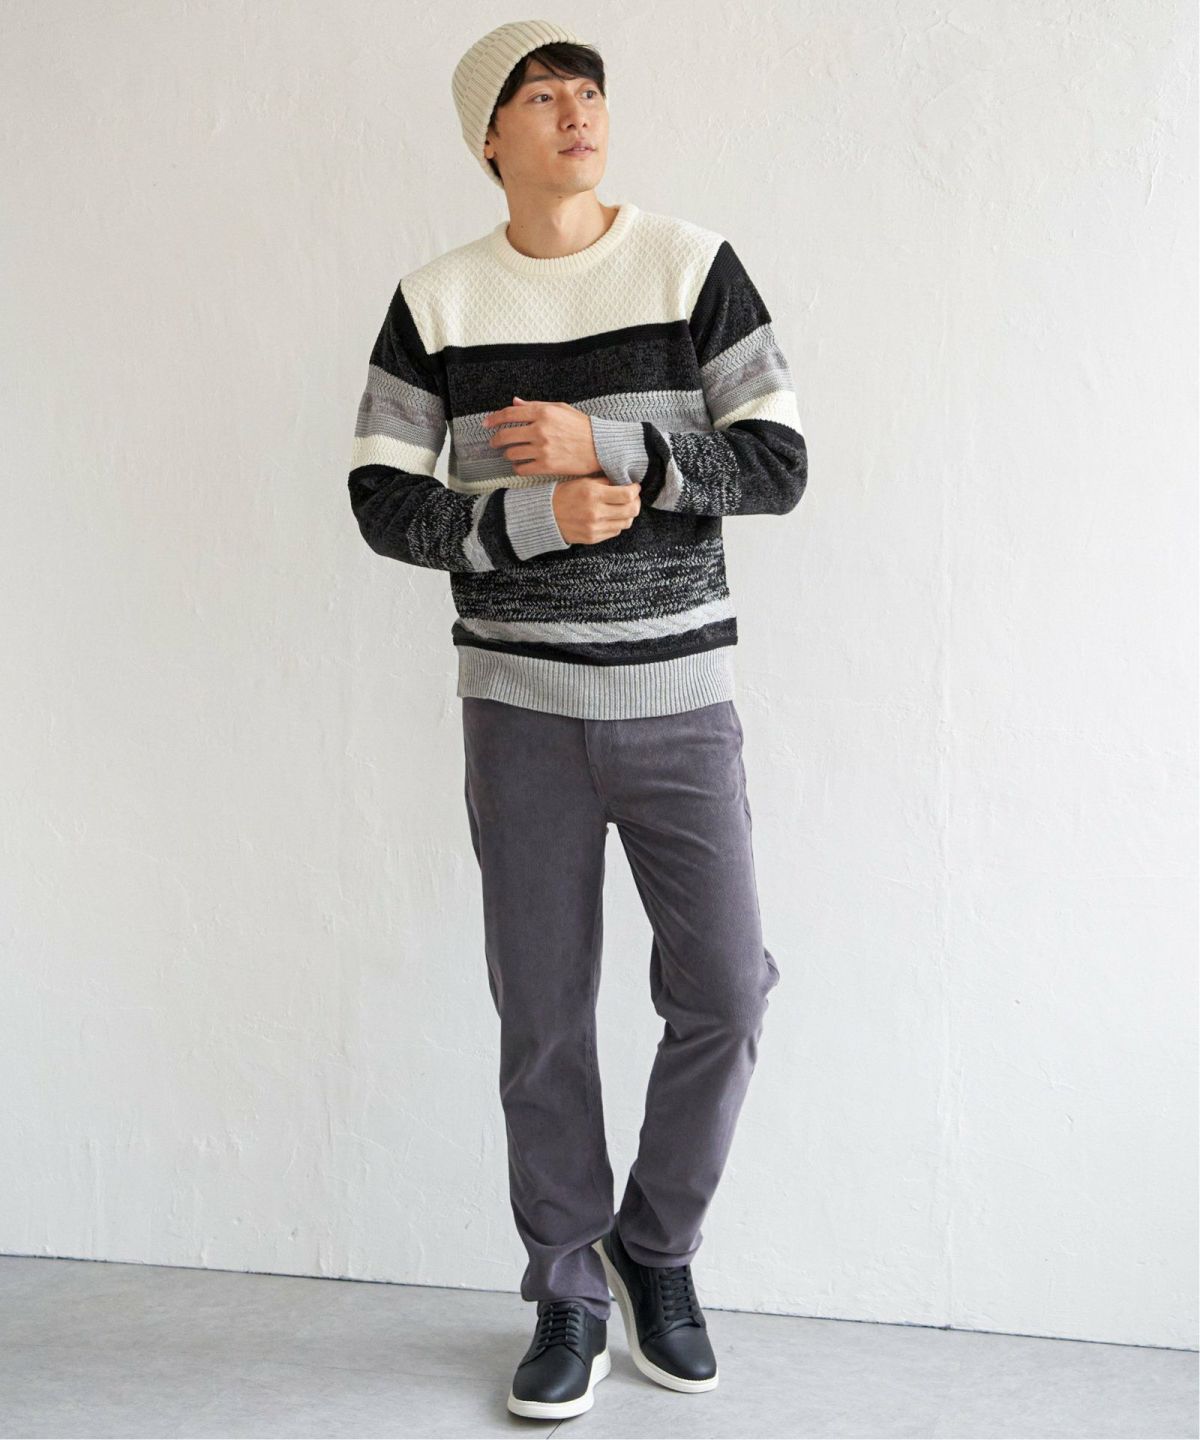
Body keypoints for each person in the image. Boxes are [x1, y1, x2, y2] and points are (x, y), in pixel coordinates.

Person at [347, 18, 809, 1421]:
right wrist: (530, 520)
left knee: (726, 992)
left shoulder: (690, 267)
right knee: (542, 1018)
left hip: (680, 706)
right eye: (541, 96)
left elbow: (778, 462)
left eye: (589, 91)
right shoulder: (438, 303)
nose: (576, 113)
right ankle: (564, 1286)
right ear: (489, 137)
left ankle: (650, 1249)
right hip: (521, 714)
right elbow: (381, 495)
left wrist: (611, 449)